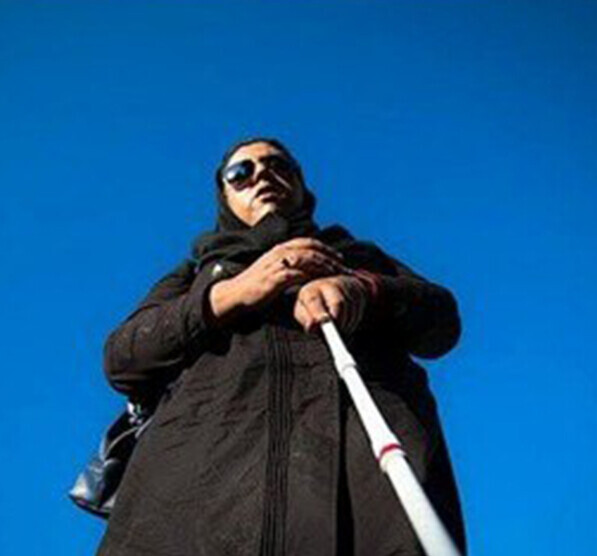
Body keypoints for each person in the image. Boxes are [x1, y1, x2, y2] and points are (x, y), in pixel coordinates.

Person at [96, 138, 467, 556]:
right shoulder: (195, 274)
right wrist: (233, 292)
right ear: (224, 195)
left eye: (278, 166)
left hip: (370, 491)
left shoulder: (355, 256)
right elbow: (123, 359)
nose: (262, 176)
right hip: (193, 502)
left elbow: (442, 324)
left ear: (301, 186)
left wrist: (362, 289)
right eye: (241, 173)